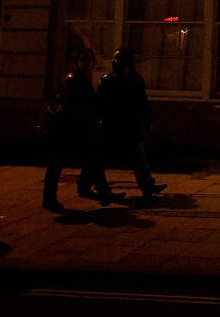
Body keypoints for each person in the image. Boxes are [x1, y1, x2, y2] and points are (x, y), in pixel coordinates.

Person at [42, 51, 125, 211]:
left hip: (75, 127)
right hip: (70, 128)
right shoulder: (75, 80)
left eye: (88, 60)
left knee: (90, 159)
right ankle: (51, 198)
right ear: (78, 62)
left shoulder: (79, 79)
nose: (86, 63)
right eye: (83, 60)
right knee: (63, 162)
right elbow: (79, 104)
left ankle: (98, 192)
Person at [97, 48, 167, 198]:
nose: (115, 62)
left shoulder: (136, 80)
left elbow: (142, 103)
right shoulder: (107, 80)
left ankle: (147, 186)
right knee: (99, 158)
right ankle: (97, 188)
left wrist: (147, 122)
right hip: (112, 124)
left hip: (130, 125)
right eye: (114, 59)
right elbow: (100, 103)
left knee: (138, 158)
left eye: (118, 59)